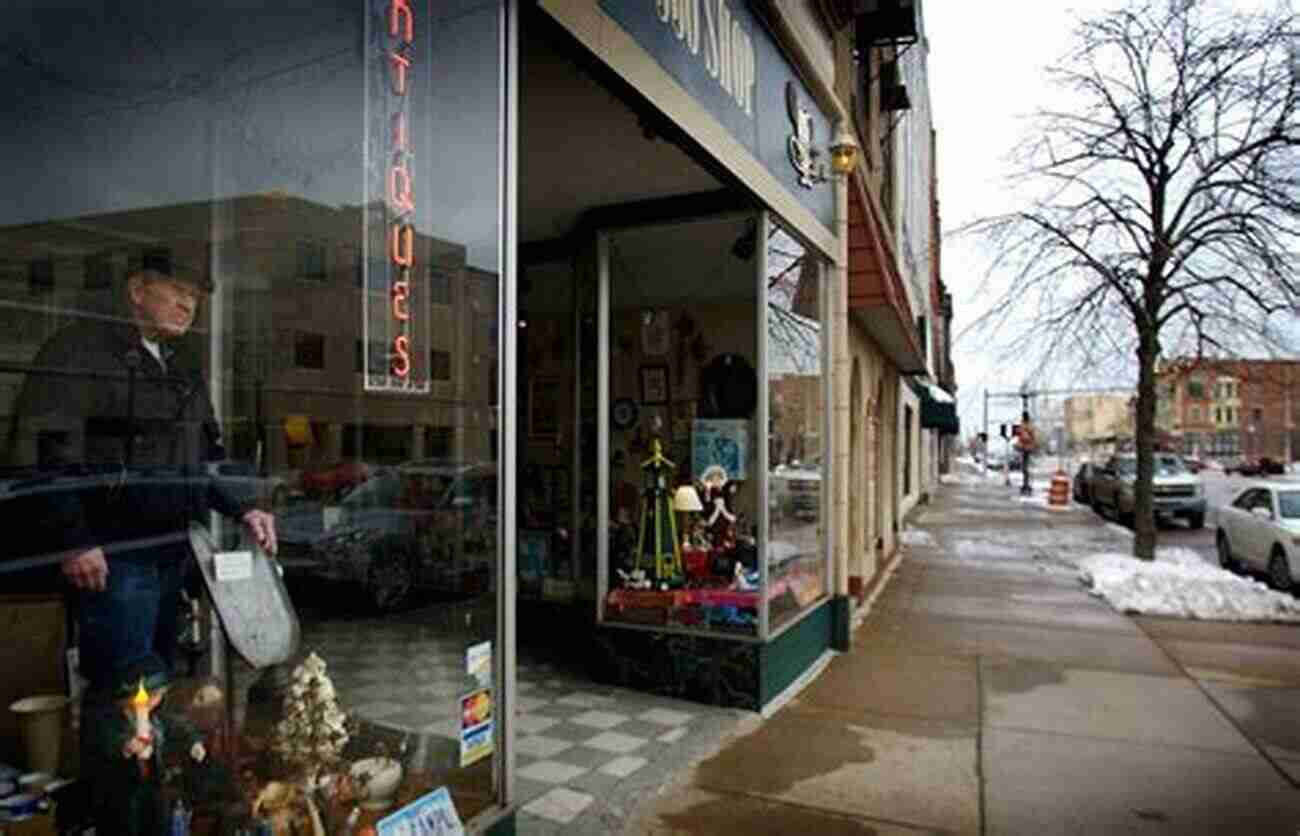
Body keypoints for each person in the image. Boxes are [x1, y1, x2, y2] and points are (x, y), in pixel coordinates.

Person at [10, 246, 275, 831]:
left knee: (158, 694)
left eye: (197, 295)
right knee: (125, 695)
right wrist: (73, 537)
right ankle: (124, 821)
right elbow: (39, 450)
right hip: (114, 557)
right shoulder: (78, 352)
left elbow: (209, 459)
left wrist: (249, 505)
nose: (189, 302)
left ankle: (158, 813)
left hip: (171, 555)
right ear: (136, 289)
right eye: (176, 289)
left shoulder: (178, 370)